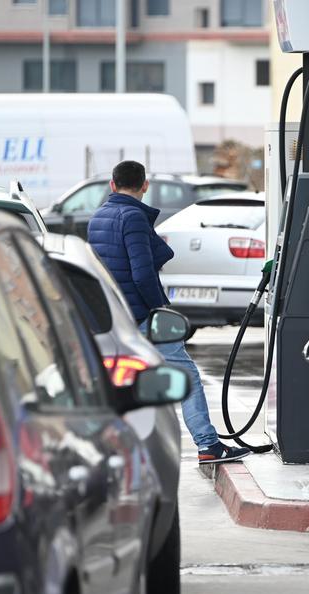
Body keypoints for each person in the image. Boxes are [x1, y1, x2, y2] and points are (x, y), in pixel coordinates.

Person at [88, 160, 248, 465]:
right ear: (145, 186)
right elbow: (142, 274)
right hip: (143, 314)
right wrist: (159, 308)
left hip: (115, 315)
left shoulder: (97, 218)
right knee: (186, 376)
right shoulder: (133, 216)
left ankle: (117, 449)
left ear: (112, 184)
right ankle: (208, 444)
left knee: (127, 382)